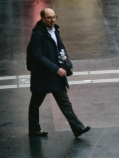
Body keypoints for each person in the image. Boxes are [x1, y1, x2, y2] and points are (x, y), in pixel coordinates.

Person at [27, 8, 90, 137]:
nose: (53, 20)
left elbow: (60, 47)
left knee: (64, 101)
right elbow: (38, 56)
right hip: (43, 74)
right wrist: (56, 69)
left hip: (55, 73)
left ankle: (77, 128)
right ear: (42, 18)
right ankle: (33, 128)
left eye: (54, 17)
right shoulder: (37, 34)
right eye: (49, 18)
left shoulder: (55, 29)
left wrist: (65, 59)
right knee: (35, 103)